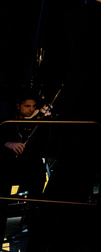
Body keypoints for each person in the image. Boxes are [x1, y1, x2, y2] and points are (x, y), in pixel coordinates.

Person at [0, 94, 48, 240]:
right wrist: (7, 143)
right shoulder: (7, 119)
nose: (31, 109)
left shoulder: (36, 119)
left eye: (33, 106)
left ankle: (33, 219)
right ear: (18, 105)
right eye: (27, 106)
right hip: (7, 163)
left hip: (27, 163)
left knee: (38, 173)